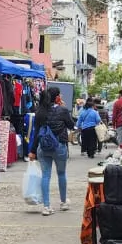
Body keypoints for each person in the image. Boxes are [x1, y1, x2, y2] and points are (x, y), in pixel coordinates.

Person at [30, 86, 74, 216]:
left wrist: (32, 150)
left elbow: (36, 133)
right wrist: (63, 107)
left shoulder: (40, 111)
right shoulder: (63, 110)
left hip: (43, 147)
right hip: (59, 146)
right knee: (61, 173)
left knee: (45, 175)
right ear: (57, 97)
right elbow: (71, 125)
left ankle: (46, 206)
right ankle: (63, 202)